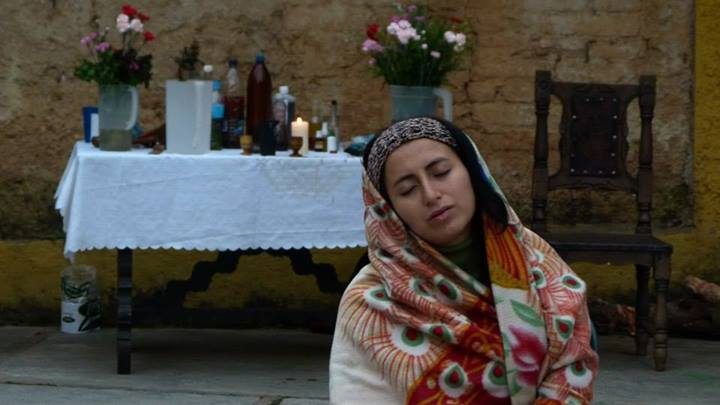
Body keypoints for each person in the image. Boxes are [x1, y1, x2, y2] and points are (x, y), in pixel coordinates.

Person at [329, 117, 598, 404]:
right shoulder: (372, 300)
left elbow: (573, 359)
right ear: (389, 211)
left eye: (441, 172)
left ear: (471, 169)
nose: (431, 195)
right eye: (407, 189)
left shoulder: (534, 258)